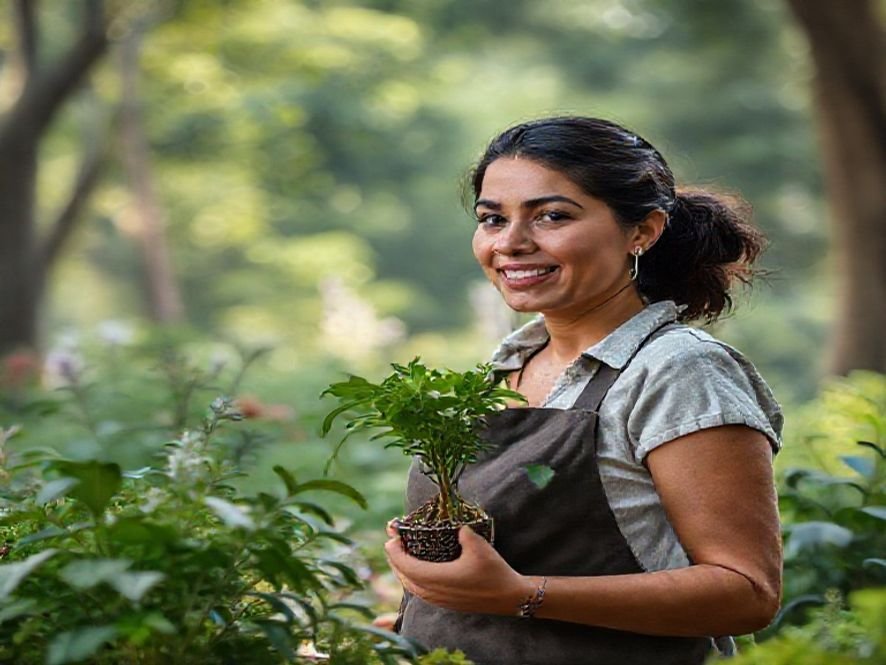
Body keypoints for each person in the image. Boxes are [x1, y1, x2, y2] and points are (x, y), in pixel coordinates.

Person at [383, 116, 783, 665]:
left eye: (552, 216)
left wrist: (520, 596)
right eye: (493, 219)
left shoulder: (676, 370)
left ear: (642, 231)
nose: (511, 243)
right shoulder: (500, 372)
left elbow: (745, 592)